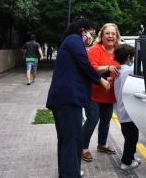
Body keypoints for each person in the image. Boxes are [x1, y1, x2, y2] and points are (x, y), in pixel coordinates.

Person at [46, 18, 110, 178]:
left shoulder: (69, 41)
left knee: (66, 140)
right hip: (68, 98)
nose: (90, 37)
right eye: (91, 33)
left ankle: (67, 173)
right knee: (73, 140)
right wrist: (100, 79)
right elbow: (85, 64)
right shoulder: (74, 40)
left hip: (61, 98)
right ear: (83, 30)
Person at [82, 23, 122, 162]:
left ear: (117, 36)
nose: (110, 36)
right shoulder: (95, 49)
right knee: (93, 119)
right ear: (102, 35)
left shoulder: (118, 50)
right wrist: (109, 67)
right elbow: (92, 69)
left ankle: (102, 144)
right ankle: (83, 147)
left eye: (113, 34)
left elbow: (123, 68)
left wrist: (114, 76)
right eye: (107, 33)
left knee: (106, 120)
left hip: (109, 94)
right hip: (94, 92)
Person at [113, 44, 141, 170]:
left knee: (131, 136)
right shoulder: (130, 71)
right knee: (131, 138)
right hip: (129, 111)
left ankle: (131, 156)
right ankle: (126, 161)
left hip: (122, 110)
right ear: (129, 57)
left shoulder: (119, 70)